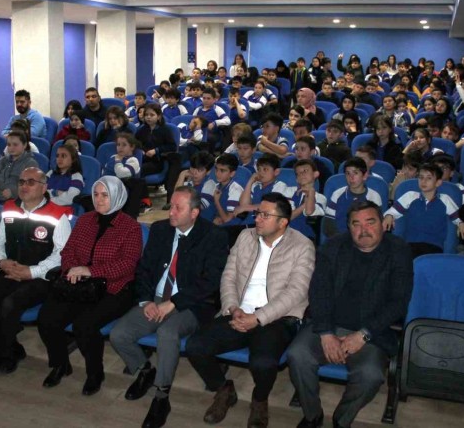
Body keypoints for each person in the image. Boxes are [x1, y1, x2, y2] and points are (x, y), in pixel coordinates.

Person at [186, 193, 315, 428]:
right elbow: (229, 276)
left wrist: (258, 317)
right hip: (238, 311)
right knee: (195, 346)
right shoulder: (245, 237)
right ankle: (223, 389)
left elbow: (296, 292)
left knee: (263, 362)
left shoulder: (302, 245)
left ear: (282, 222)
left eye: (265, 215)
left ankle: (259, 400)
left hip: (278, 318)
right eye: (257, 213)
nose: (257, 219)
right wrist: (232, 307)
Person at [109, 187, 228, 428]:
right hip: (156, 299)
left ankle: (161, 397)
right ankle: (145, 370)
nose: (171, 212)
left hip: (192, 304)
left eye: (178, 208)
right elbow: (143, 269)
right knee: (119, 335)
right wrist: (146, 301)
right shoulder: (160, 229)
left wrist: (173, 303)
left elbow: (210, 282)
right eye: (171, 205)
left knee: (167, 333)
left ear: (194, 212)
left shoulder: (214, 236)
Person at [288, 200, 413, 428]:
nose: (363, 229)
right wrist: (326, 334)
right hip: (328, 324)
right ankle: (312, 415)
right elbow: (319, 291)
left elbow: (398, 302)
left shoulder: (398, 251)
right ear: (349, 227)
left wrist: (363, 335)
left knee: (370, 375)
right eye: (356, 224)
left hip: (371, 332)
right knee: (298, 355)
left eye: (370, 222)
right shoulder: (333, 247)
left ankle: (342, 419)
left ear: (382, 223)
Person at [38, 176, 143, 393]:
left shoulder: (130, 227)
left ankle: (95, 373)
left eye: (105, 195)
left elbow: (128, 264)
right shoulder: (85, 220)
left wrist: (90, 271)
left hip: (114, 288)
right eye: (95, 194)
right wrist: (72, 269)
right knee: (47, 319)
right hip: (80, 284)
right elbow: (68, 251)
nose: (99, 199)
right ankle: (60, 364)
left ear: (117, 196)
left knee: (84, 325)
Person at [0, 167, 71, 380]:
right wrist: (1, 261)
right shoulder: (10, 209)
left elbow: (62, 255)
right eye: (21, 182)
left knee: (9, 304)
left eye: (31, 182)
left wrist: (31, 271)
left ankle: (0, 353)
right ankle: (8, 349)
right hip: (12, 271)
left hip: (43, 278)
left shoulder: (57, 214)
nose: (24, 186)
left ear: (44, 188)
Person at [384, 163, 464, 258]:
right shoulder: (410, 196)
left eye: (429, 178)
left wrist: (461, 224)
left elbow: (455, 216)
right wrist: (389, 216)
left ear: (438, 182)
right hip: (410, 243)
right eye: (421, 177)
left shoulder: (445, 199)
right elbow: (393, 210)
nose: (423, 181)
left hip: (434, 245)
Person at [325, 157, 384, 237]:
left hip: (365, 238)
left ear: (365, 176)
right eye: (348, 173)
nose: (351, 178)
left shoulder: (374, 196)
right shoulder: (337, 194)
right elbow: (328, 223)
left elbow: (377, 225)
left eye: (355, 173)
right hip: (340, 239)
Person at [0, 131, 39, 203]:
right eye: (9, 145)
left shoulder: (30, 164)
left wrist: (13, 192)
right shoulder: (0, 161)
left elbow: (30, 185)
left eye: (15, 145)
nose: (11, 148)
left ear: (24, 145)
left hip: (18, 202)